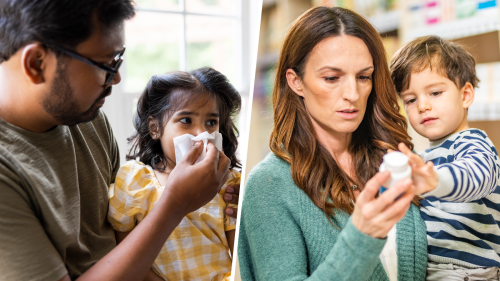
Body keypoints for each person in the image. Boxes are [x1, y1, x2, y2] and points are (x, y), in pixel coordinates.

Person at [0, 1, 238, 280]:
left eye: (118, 60)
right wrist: (175, 203)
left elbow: (124, 234)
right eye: (104, 64)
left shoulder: (87, 118)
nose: (116, 79)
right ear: (37, 63)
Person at [237, 6, 426, 281]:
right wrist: (361, 238)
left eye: (363, 77)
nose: (352, 93)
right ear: (296, 81)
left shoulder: (393, 159)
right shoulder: (268, 186)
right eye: (331, 78)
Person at [107, 68, 241, 281]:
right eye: (186, 120)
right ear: (155, 128)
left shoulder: (227, 183)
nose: (201, 133)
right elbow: (125, 252)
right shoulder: (134, 181)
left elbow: (240, 261)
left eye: (211, 122)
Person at [390, 36, 500, 280]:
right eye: (411, 99)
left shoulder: (473, 141)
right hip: (435, 268)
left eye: (435, 92)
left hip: (469, 271)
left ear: (466, 95)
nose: (423, 106)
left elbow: (476, 175)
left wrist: (434, 182)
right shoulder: (425, 156)